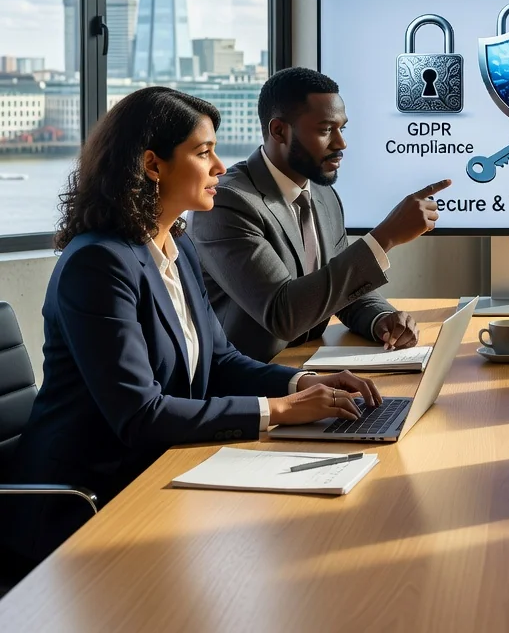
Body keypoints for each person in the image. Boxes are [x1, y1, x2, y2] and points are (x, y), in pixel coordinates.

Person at [3, 87, 381, 566]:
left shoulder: (176, 248)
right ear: (152, 165)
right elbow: (141, 415)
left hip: (156, 473)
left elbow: (220, 361)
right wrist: (281, 409)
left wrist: (302, 381)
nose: (221, 167)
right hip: (87, 503)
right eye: (204, 153)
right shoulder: (98, 264)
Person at [190, 68, 450, 363]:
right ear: (279, 131)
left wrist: (383, 320)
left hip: (306, 365)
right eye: (326, 130)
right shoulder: (227, 202)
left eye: (342, 129)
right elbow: (282, 315)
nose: (341, 144)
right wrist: (384, 237)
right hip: (250, 382)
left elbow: (339, 288)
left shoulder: (324, 196)